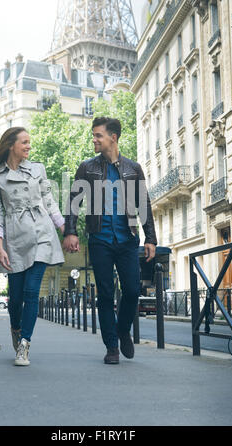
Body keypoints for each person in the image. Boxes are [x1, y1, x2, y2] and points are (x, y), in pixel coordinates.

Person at [63, 117, 157, 364]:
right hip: (100, 239)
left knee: (132, 290)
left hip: (127, 238)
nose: (93, 139)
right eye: (93, 135)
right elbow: (74, 203)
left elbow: (143, 204)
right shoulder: (87, 168)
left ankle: (122, 328)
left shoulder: (133, 168)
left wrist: (151, 238)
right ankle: (111, 347)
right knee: (105, 293)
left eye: (98, 135)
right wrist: (70, 231)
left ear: (112, 138)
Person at [0, 127, 65, 366]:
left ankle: (24, 345)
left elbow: (49, 202)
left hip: (42, 232)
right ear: (11, 145)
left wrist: (66, 229)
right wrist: (0, 247)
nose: (29, 146)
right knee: (16, 296)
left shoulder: (37, 169)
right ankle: (15, 328)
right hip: (15, 239)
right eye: (25, 142)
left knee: (32, 292)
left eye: (29, 142)